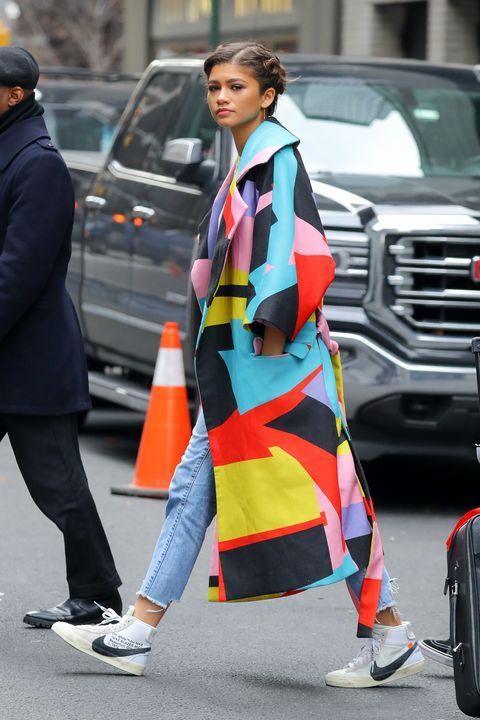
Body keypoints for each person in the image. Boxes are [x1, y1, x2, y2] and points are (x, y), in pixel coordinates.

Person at [51, 41, 424, 688]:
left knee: (324, 493)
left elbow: (295, 249)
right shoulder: (252, 159)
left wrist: (272, 343)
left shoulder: (274, 159)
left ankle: (388, 627)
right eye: (215, 87)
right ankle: (140, 628)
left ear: (267, 95)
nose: (222, 97)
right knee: (243, 489)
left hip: (270, 362)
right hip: (251, 359)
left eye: (236, 86)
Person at [0, 46, 122, 627]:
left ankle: (97, 600)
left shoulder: (38, 163)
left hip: (31, 359)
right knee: (61, 487)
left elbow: (17, 274)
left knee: (60, 488)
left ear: (14, 94)